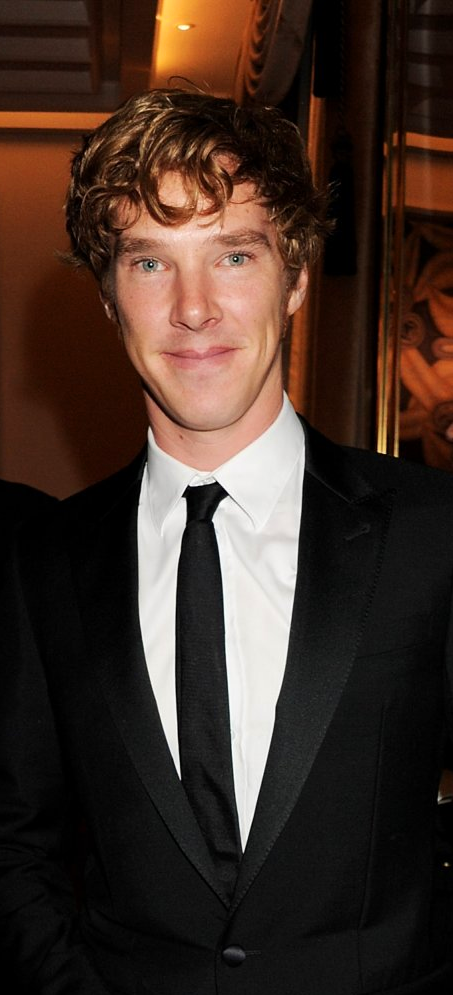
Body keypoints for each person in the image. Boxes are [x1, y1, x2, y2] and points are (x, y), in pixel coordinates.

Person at [1, 88, 452, 995]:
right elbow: (15, 843)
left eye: (233, 255)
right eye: (149, 263)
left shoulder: (430, 529)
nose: (194, 308)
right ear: (108, 297)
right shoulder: (45, 560)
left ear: (294, 279)